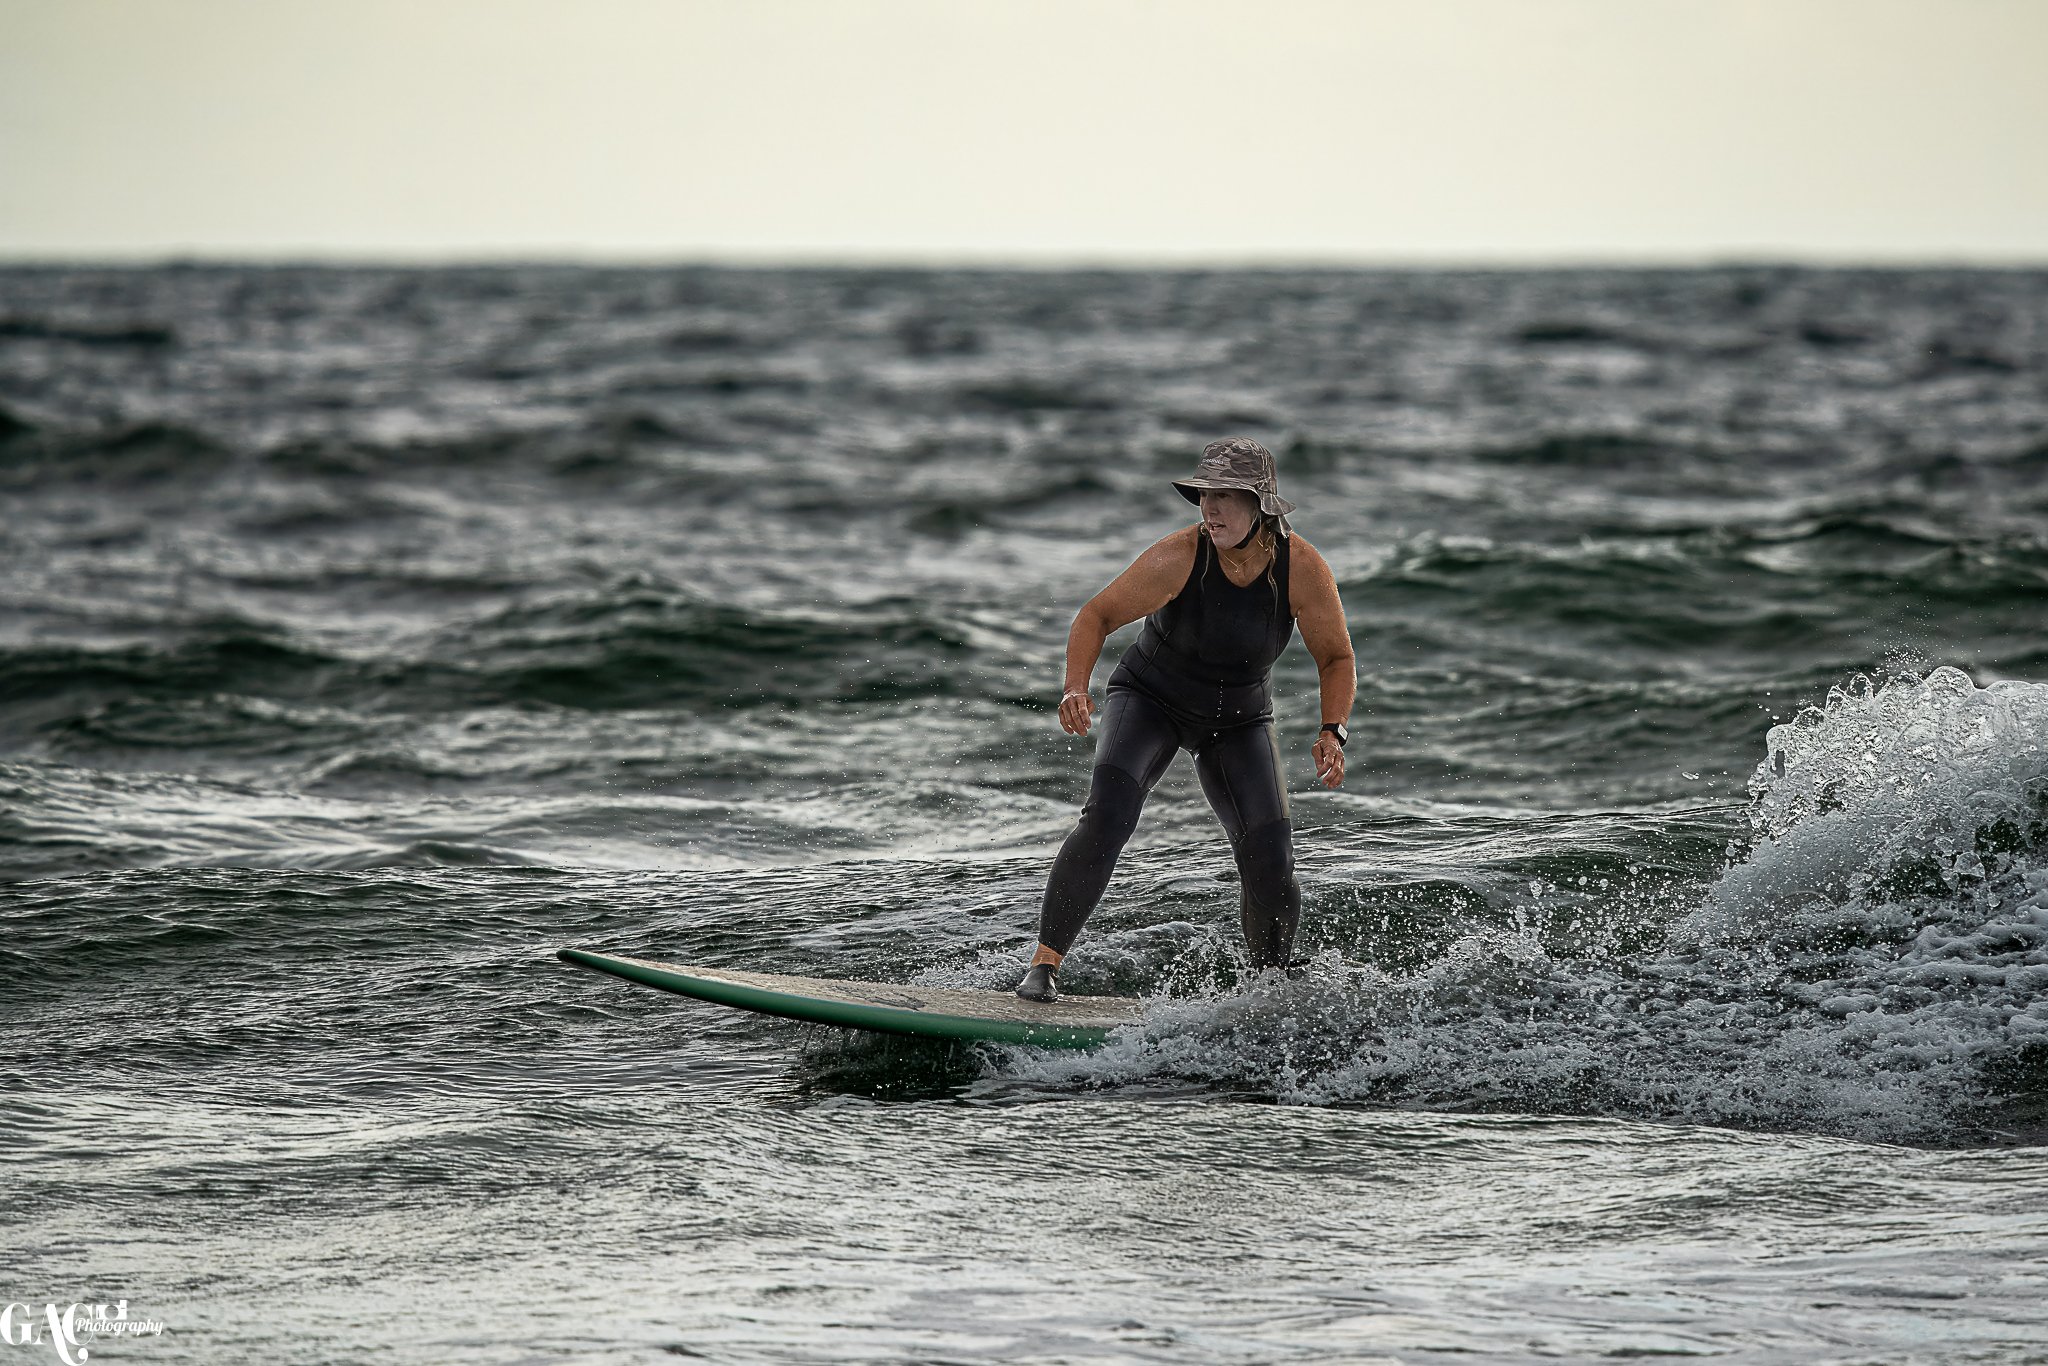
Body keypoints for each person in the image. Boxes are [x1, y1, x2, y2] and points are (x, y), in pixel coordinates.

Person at [1015, 438, 1356, 1002]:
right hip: (1150, 700)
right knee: (1108, 816)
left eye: (1226, 495)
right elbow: (1095, 616)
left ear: (1263, 504)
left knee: (1271, 857)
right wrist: (1076, 687)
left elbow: (1336, 657)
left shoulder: (1301, 569)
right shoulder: (1180, 555)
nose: (1210, 508)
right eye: (1204, 494)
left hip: (1239, 721)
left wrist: (1332, 729)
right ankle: (1045, 964)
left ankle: (1267, 988)